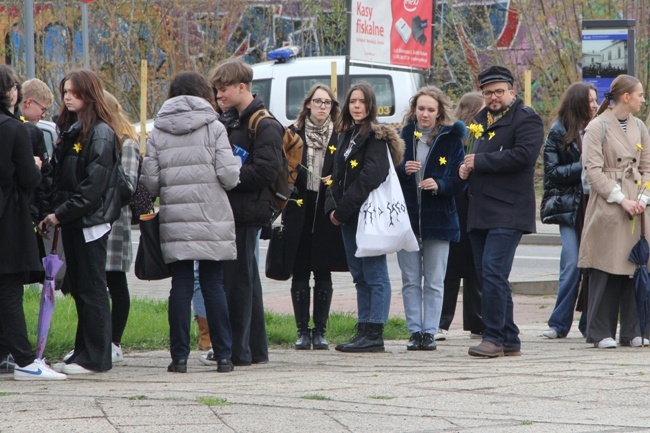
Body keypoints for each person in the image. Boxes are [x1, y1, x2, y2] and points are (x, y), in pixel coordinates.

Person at [140, 71, 240, 373]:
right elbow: (229, 176)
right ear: (202, 92)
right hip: (212, 216)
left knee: (181, 286)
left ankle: (179, 358)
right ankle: (224, 356)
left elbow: (152, 183)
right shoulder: (215, 127)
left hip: (176, 217)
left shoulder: (158, 131)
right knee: (214, 285)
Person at [459, 65, 544, 358]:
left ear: (512, 91)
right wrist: (464, 167)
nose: (493, 97)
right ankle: (509, 338)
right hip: (480, 209)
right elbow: (470, 155)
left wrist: (479, 162)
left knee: (494, 272)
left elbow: (524, 156)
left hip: (509, 210)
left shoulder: (527, 119)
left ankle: (493, 337)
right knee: (488, 276)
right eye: (488, 93)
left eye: (498, 92)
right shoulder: (478, 120)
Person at [43, 69, 123, 375]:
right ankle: (85, 350)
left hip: (89, 221)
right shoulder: (72, 128)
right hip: (75, 220)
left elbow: (93, 187)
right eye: (65, 92)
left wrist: (61, 212)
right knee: (81, 288)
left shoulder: (100, 132)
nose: (67, 97)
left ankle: (96, 358)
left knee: (93, 289)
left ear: (89, 94)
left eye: (74, 92)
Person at [208, 59, 284, 366]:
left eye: (223, 89)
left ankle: (239, 352)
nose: (219, 96)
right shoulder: (231, 120)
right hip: (234, 210)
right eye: (216, 90)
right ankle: (252, 350)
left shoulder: (264, 124)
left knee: (239, 283)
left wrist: (229, 176)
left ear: (242, 87)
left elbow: (266, 171)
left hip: (248, 211)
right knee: (244, 282)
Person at [325, 82, 405, 353]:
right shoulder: (344, 135)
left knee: (375, 274)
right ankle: (363, 329)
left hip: (367, 216)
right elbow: (334, 176)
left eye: (362, 102)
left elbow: (372, 176)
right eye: (352, 101)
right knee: (359, 275)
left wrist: (343, 209)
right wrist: (332, 209)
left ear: (371, 106)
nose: (357, 106)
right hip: (348, 217)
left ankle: (375, 333)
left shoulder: (376, 137)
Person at [0, 65, 66, 381]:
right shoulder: (15, 130)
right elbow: (29, 178)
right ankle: (26, 360)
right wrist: (36, 165)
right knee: (9, 289)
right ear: (10, 92)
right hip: (9, 219)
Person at [578, 74, 650, 349]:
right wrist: (621, 199)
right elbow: (593, 171)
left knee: (636, 267)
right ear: (625, 97)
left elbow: (648, 166)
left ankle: (634, 329)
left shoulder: (640, 126)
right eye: (640, 95)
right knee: (605, 267)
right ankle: (600, 331)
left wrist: (643, 197)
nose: (643, 100)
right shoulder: (597, 127)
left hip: (638, 205)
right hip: (610, 204)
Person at [396, 85, 466, 351]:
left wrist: (439, 184)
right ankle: (415, 331)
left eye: (430, 110)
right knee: (411, 280)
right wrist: (404, 169)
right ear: (414, 110)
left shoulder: (451, 139)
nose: (425, 114)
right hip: (408, 222)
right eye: (421, 108)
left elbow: (459, 183)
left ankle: (430, 332)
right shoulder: (403, 137)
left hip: (440, 220)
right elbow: (389, 177)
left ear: (439, 113)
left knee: (435, 281)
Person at [283, 83, 347, 350]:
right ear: (308, 104)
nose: (322, 106)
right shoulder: (293, 133)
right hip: (300, 204)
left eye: (328, 103)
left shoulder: (341, 136)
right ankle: (301, 331)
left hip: (326, 205)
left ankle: (319, 331)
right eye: (318, 101)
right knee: (299, 268)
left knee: (323, 268)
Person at [539, 82, 598, 340]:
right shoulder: (558, 131)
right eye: (591, 101)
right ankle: (559, 324)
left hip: (596, 205)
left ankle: (590, 324)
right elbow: (552, 173)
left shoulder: (599, 128)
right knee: (572, 265)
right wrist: (582, 166)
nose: (595, 105)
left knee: (594, 266)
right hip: (570, 207)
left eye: (596, 100)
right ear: (578, 103)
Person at [439, 92, 485, 341]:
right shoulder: (455, 137)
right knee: (453, 268)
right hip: (458, 205)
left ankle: (474, 321)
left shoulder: (480, 136)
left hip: (473, 206)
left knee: (472, 267)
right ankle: (443, 321)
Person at [102, 91, 140, 362]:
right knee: (96, 284)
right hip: (96, 221)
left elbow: (127, 185)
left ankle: (115, 341)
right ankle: (98, 339)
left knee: (116, 282)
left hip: (115, 222)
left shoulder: (126, 142)